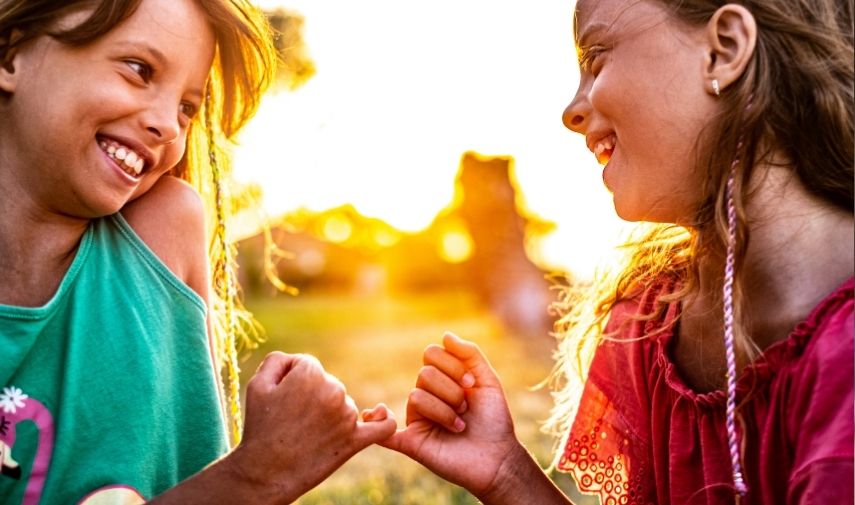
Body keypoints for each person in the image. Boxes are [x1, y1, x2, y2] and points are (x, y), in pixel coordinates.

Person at [379, 0, 854, 503]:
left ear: (724, 51)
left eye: (597, 58)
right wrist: (505, 473)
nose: (571, 111)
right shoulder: (650, 322)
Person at [0, 0, 395, 503]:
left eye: (188, 107)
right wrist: (256, 476)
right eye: (139, 69)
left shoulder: (160, 236)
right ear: (11, 56)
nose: (168, 124)